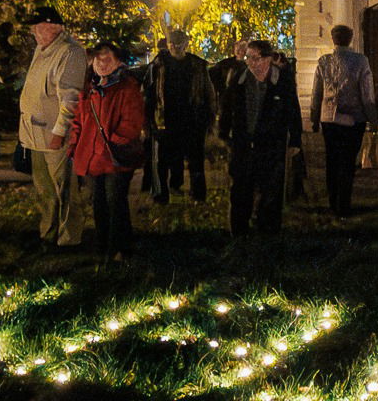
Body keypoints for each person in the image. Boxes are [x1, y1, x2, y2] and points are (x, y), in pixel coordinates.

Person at [19, 6, 88, 250]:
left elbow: (70, 98)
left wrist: (59, 133)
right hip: (36, 134)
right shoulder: (42, 50)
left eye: (38, 27)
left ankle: (69, 238)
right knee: (45, 189)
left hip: (54, 135)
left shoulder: (69, 53)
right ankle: (48, 233)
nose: (34, 32)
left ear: (54, 27)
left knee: (64, 189)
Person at [70, 42, 146, 259]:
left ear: (118, 62)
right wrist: (75, 147)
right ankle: (103, 246)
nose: (102, 64)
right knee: (99, 203)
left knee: (116, 203)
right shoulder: (89, 88)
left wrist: (114, 141)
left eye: (108, 60)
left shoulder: (127, 87)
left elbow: (132, 122)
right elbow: (78, 121)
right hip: (92, 158)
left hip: (115, 157)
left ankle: (119, 247)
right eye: (98, 59)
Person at [219, 39, 302, 236]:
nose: (251, 63)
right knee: (241, 188)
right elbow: (227, 108)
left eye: (256, 58)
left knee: (271, 190)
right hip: (243, 144)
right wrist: (224, 133)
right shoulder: (239, 78)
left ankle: (268, 231)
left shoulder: (282, 80)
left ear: (268, 59)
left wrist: (295, 140)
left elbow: (293, 111)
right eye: (248, 58)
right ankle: (239, 231)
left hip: (271, 145)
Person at [309, 23, 378, 219]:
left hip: (329, 119)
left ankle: (333, 202)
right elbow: (367, 94)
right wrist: (372, 119)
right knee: (347, 162)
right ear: (351, 38)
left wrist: (314, 117)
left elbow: (316, 93)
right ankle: (344, 204)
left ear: (333, 39)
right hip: (353, 119)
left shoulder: (324, 61)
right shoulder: (360, 61)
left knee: (332, 160)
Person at [145, 28, 213, 206]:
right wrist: (148, 120)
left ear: (186, 44)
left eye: (178, 43)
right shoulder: (158, 65)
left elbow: (208, 94)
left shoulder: (197, 65)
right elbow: (149, 93)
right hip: (164, 121)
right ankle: (161, 196)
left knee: (196, 162)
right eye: (171, 43)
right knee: (162, 162)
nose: (174, 46)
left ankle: (198, 196)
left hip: (192, 121)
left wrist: (207, 120)